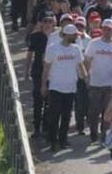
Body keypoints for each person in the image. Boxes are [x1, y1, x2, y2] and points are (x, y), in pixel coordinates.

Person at [42, 23, 87, 152]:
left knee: (67, 116)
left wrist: (85, 77)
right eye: (74, 35)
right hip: (56, 86)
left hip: (71, 87)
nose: (76, 37)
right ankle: (52, 140)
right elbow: (46, 68)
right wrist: (43, 84)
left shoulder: (76, 49)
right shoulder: (53, 48)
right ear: (67, 35)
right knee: (54, 115)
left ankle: (63, 140)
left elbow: (81, 65)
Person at [85, 20, 112, 143]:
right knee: (93, 111)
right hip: (95, 82)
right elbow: (87, 60)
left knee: (107, 112)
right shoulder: (94, 43)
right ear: (102, 29)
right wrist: (86, 77)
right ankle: (93, 134)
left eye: (110, 29)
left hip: (110, 84)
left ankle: (104, 136)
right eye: (105, 29)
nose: (107, 31)